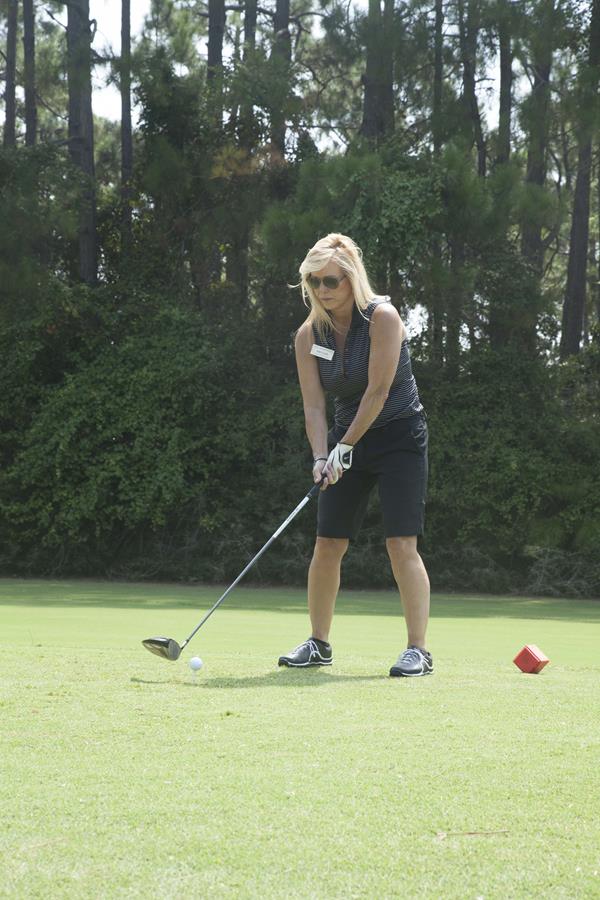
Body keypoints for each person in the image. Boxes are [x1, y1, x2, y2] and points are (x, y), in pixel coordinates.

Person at [278, 233, 433, 677]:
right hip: (345, 440)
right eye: (314, 281)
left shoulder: (382, 318)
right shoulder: (309, 335)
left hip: (399, 436)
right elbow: (313, 406)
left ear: (351, 279)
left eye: (331, 280)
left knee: (400, 543)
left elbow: (378, 391)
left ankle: (418, 651)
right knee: (328, 542)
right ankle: (318, 643)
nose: (322, 289)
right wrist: (320, 456)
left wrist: (343, 447)